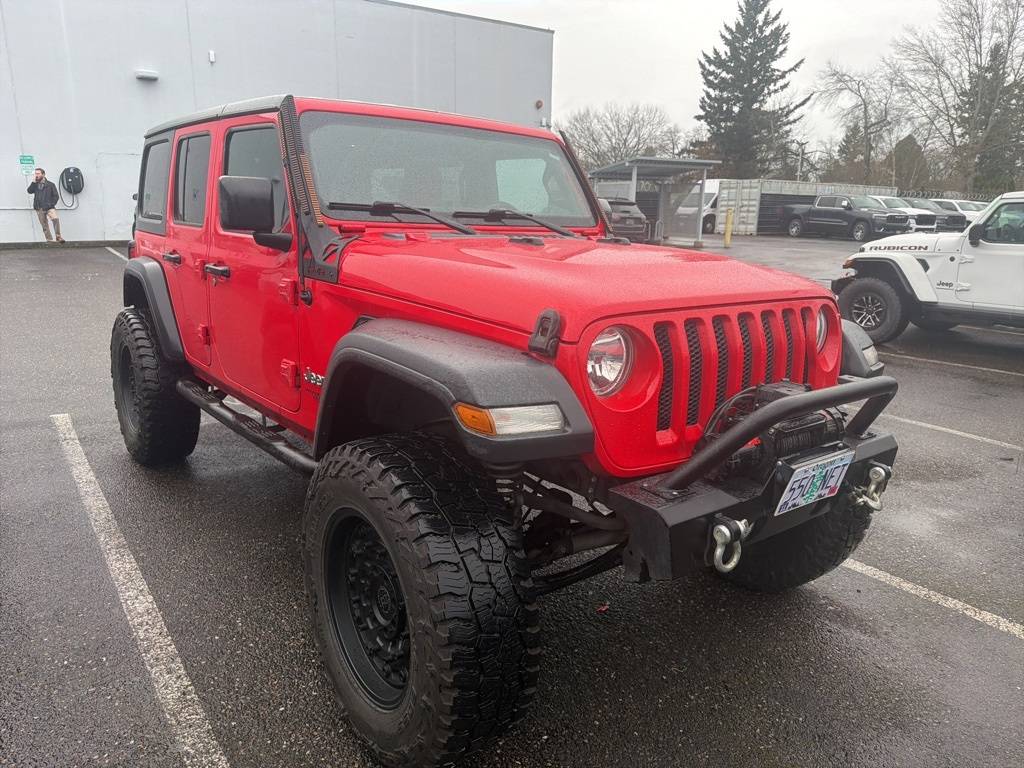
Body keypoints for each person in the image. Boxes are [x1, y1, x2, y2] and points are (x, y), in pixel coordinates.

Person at [26, 168, 64, 243]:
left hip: (49, 207)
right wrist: (33, 182)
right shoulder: (35, 184)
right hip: (39, 207)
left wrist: (51, 204)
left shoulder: (50, 184)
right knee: (44, 224)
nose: (36, 175)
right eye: (35, 173)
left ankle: (58, 237)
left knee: (55, 219)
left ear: (43, 174)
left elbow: (56, 196)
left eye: (38, 173)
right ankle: (49, 239)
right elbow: (29, 191)